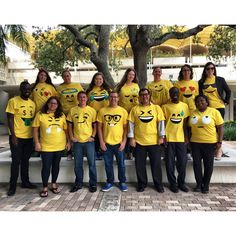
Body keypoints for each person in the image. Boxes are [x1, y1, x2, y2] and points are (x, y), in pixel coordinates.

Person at [128, 88, 165, 193]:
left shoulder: (157, 108)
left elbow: (161, 122)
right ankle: (142, 184)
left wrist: (161, 136)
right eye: (142, 95)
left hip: (154, 141)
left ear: (149, 96)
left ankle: (158, 184)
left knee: (156, 165)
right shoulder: (135, 109)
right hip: (139, 142)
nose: (144, 96)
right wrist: (131, 138)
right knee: (139, 165)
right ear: (139, 97)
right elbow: (131, 124)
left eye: (146, 94)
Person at [32, 96, 70, 197]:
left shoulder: (61, 115)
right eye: (51, 103)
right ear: (47, 104)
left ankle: (54, 183)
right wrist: (36, 142)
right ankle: (44, 187)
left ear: (58, 105)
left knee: (56, 166)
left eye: (55, 104)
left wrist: (68, 142)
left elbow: (66, 130)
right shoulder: (40, 114)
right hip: (46, 146)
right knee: (46, 166)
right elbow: (35, 129)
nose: (53, 105)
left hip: (59, 145)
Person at [5, 80, 37, 196]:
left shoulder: (32, 103)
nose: (27, 91)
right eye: (25, 89)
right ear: (20, 89)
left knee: (25, 161)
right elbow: (9, 118)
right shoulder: (13, 101)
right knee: (16, 161)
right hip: (17, 137)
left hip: (28, 137)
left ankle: (25, 182)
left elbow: (32, 120)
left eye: (29, 89)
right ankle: (12, 186)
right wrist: (13, 136)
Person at [188, 94, 224, 193]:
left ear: (207, 102)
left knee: (208, 165)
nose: (200, 103)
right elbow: (189, 128)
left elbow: (220, 127)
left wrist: (219, 142)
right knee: (197, 165)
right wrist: (188, 141)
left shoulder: (214, 112)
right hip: (195, 143)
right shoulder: (192, 113)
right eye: (197, 101)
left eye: (202, 101)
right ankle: (199, 184)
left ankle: (206, 185)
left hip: (210, 143)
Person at [198, 62, 231, 160]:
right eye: (208, 69)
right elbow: (201, 95)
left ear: (214, 69)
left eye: (212, 68)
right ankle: (212, 149)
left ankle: (219, 150)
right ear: (205, 70)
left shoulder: (220, 80)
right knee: (210, 128)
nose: (210, 70)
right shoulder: (201, 82)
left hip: (219, 107)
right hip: (207, 109)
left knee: (219, 128)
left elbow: (228, 91)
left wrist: (226, 101)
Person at [97, 91, 128, 192]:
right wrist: (101, 142)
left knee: (121, 164)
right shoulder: (102, 111)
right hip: (107, 143)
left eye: (115, 97)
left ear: (118, 98)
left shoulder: (123, 111)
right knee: (108, 164)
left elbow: (126, 129)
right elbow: (99, 128)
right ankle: (110, 182)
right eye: (111, 97)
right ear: (108, 98)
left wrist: (124, 142)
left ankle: (122, 182)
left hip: (119, 143)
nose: (113, 99)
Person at [67, 91, 97, 193]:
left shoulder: (92, 110)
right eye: (80, 97)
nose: (82, 99)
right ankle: (78, 184)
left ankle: (93, 184)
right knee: (77, 164)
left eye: (84, 97)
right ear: (77, 98)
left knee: (92, 164)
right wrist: (71, 137)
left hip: (89, 142)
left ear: (87, 98)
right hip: (77, 142)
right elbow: (69, 126)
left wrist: (93, 136)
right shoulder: (72, 110)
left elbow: (95, 126)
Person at [162, 87, 190, 193]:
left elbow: (185, 124)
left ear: (179, 94)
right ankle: (173, 184)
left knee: (182, 163)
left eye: (176, 92)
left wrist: (186, 138)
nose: (174, 94)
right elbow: (162, 124)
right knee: (169, 164)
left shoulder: (184, 106)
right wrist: (163, 137)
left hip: (181, 139)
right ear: (169, 94)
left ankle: (181, 183)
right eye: (172, 92)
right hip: (169, 139)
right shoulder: (164, 107)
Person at [57, 69, 84, 160]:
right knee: (68, 133)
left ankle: (78, 152)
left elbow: (83, 96)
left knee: (76, 132)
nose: (66, 77)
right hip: (65, 113)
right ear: (62, 77)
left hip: (76, 113)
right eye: (64, 76)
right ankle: (69, 152)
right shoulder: (60, 88)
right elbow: (57, 100)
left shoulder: (77, 85)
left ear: (70, 76)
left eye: (68, 76)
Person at [175, 64, 199, 160]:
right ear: (182, 72)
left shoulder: (195, 83)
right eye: (184, 70)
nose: (186, 72)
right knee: (183, 129)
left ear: (191, 72)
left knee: (192, 130)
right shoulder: (177, 84)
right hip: (182, 110)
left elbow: (197, 97)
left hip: (193, 109)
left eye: (188, 70)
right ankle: (186, 151)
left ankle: (192, 150)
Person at [116, 68, 140, 159]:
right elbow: (115, 97)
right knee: (125, 132)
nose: (131, 76)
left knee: (134, 132)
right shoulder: (120, 86)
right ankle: (126, 151)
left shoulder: (136, 85)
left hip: (134, 112)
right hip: (124, 112)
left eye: (133, 75)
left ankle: (133, 151)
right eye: (130, 74)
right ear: (126, 75)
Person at [86, 72, 111, 160]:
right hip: (93, 116)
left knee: (105, 133)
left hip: (105, 115)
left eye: (100, 79)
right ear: (94, 80)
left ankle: (104, 152)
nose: (98, 80)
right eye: (96, 79)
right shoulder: (89, 91)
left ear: (103, 80)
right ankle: (96, 152)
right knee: (95, 135)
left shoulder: (107, 90)